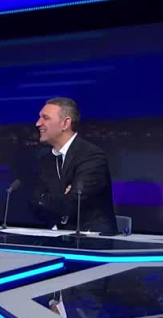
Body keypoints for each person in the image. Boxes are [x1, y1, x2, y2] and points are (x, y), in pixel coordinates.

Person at [31, 98, 118, 235]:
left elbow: (75, 202)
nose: (38, 123)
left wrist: (49, 197)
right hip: (55, 237)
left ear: (65, 123)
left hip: (92, 239)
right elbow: (35, 202)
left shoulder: (92, 156)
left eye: (45, 118)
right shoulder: (45, 159)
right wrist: (62, 194)